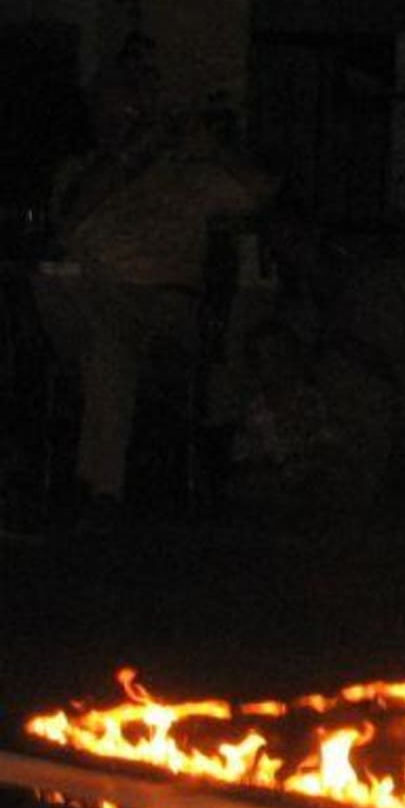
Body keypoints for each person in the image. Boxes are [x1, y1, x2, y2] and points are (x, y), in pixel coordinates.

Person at [33, 53, 274, 512]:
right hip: (86, 301)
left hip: (161, 309)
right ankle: (88, 489)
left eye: (128, 113)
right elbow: (71, 216)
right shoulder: (82, 171)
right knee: (66, 300)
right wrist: (128, 156)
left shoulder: (185, 177)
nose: (118, 124)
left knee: (108, 338)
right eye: (108, 114)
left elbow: (260, 191)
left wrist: (212, 147)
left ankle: (98, 491)